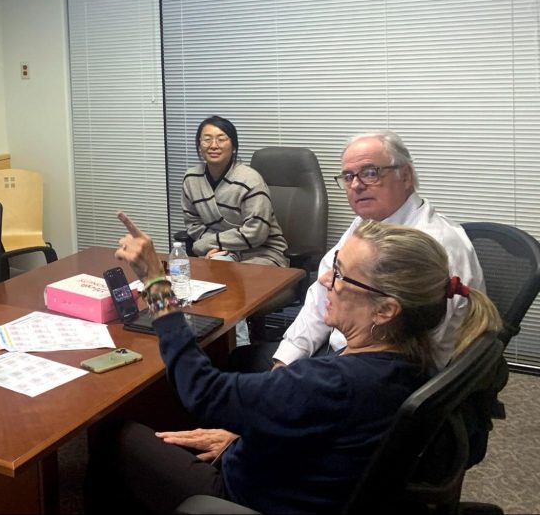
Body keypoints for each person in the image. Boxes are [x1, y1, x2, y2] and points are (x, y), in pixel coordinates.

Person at [88, 211, 500, 515]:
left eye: (340, 274)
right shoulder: (413, 358)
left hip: (249, 495)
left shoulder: (328, 381)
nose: (325, 281)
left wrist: (157, 284)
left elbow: (204, 391)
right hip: (301, 476)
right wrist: (243, 436)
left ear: (385, 310)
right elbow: (316, 426)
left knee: (112, 432)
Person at [175, 130, 486, 468]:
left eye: (370, 172)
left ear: (406, 175)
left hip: (375, 392)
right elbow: (319, 298)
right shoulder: (367, 224)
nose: (356, 185)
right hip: (342, 364)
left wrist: (255, 430)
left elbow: (417, 362)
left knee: (226, 403)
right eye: (349, 176)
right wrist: (284, 364)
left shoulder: (435, 248)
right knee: (242, 361)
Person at [181, 115, 288, 266]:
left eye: (221, 139)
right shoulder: (191, 179)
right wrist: (218, 246)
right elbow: (193, 223)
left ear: (234, 146)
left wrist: (211, 244)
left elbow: (256, 232)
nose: (213, 145)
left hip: (262, 253)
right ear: (199, 145)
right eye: (207, 139)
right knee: (200, 278)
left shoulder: (250, 180)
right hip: (220, 251)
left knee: (234, 282)